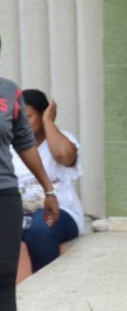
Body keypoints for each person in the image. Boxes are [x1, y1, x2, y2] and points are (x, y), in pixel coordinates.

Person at [0, 77, 59, 311]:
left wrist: (49, 189)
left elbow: (24, 142)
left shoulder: (9, 91)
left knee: (3, 277)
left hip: (4, 194)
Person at [13, 90, 83, 281]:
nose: (22, 123)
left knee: (40, 228)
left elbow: (64, 156)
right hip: (17, 213)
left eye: (28, 117)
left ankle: (46, 286)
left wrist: (48, 122)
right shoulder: (9, 145)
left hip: (60, 213)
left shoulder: (62, 139)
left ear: (43, 114)